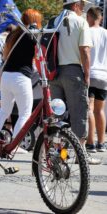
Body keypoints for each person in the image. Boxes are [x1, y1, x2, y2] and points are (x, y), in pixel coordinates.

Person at [50, 0, 101, 164]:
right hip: (73, 71)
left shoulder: (53, 21)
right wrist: (87, 74)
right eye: (82, 6)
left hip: (54, 72)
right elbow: (85, 50)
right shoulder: (80, 22)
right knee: (79, 113)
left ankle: (60, 154)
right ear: (75, 6)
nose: (83, 9)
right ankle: (81, 155)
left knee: (58, 117)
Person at [0, 9, 42, 153]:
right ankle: (15, 145)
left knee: (4, 111)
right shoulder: (32, 35)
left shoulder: (13, 34)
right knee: (25, 113)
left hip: (6, 77)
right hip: (21, 77)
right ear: (34, 21)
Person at [85, 6, 107, 153]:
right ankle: (102, 143)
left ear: (90, 17)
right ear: (101, 18)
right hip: (104, 75)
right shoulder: (106, 33)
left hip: (91, 74)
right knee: (100, 110)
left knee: (90, 109)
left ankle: (90, 143)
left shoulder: (87, 32)